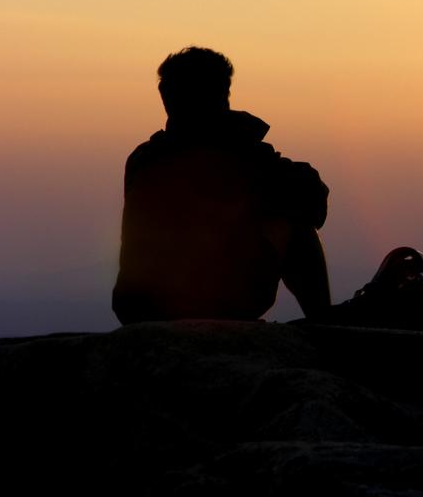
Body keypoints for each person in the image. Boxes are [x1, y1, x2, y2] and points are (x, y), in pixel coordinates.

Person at [113, 47, 332, 323]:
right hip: (216, 304)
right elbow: (311, 199)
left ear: (167, 99)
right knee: (295, 224)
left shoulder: (143, 159)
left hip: (138, 309)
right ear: (219, 96)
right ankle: (324, 323)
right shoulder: (238, 153)